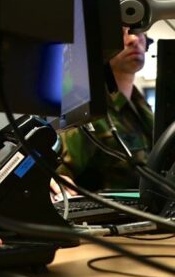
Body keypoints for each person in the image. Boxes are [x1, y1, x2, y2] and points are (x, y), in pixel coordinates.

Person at [56, 27, 154, 191]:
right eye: (119, 34)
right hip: (108, 213)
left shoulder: (141, 107)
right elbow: (61, 177)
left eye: (137, 32)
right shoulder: (82, 107)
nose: (133, 40)